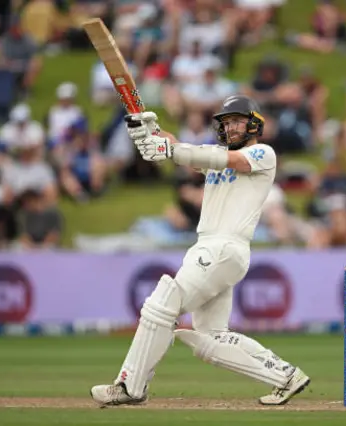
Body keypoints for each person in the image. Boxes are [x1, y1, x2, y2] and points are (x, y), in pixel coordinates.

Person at [90, 95, 310, 407]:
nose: (230, 126)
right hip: (216, 250)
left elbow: (224, 159)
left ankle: (129, 386)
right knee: (210, 337)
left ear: (254, 123)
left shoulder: (263, 153)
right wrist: (154, 134)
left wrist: (173, 149)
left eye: (236, 120)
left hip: (223, 246)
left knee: (161, 305)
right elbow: (190, 155)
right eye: (226, 122)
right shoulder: (217, 157)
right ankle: (286, 376)